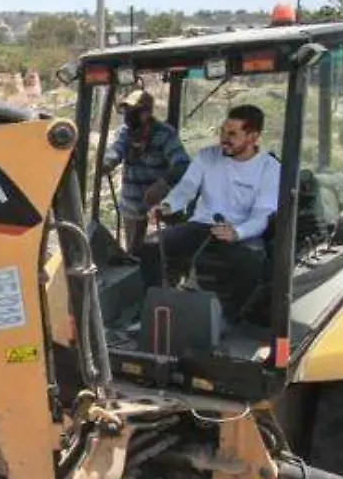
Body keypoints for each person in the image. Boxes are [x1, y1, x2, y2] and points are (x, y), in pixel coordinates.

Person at [134, 104, 281, 321]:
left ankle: (230, 317)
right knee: (149, 246)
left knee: (252, 259)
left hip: (241, 230)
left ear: (253, 137)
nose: (224, 138)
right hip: (202, 225)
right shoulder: (207, 157)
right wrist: (166, 206)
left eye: (233, 134)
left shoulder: (270, 168)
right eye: (222, 131)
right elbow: (185, 190)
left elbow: (262, 215)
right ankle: (151, 309)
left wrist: (237, 233)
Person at [100, 88, 190, 250]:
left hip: (163, 202)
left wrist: (162, 185)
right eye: (127, 111)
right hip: (133, 204)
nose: (129, 116)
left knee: (176, 246)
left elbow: (182, 164)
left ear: (147, 113)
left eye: (135, 111)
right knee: (134, 253)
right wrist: (107, 163)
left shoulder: (165, 134)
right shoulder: (124, 133)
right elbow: (116, 150)